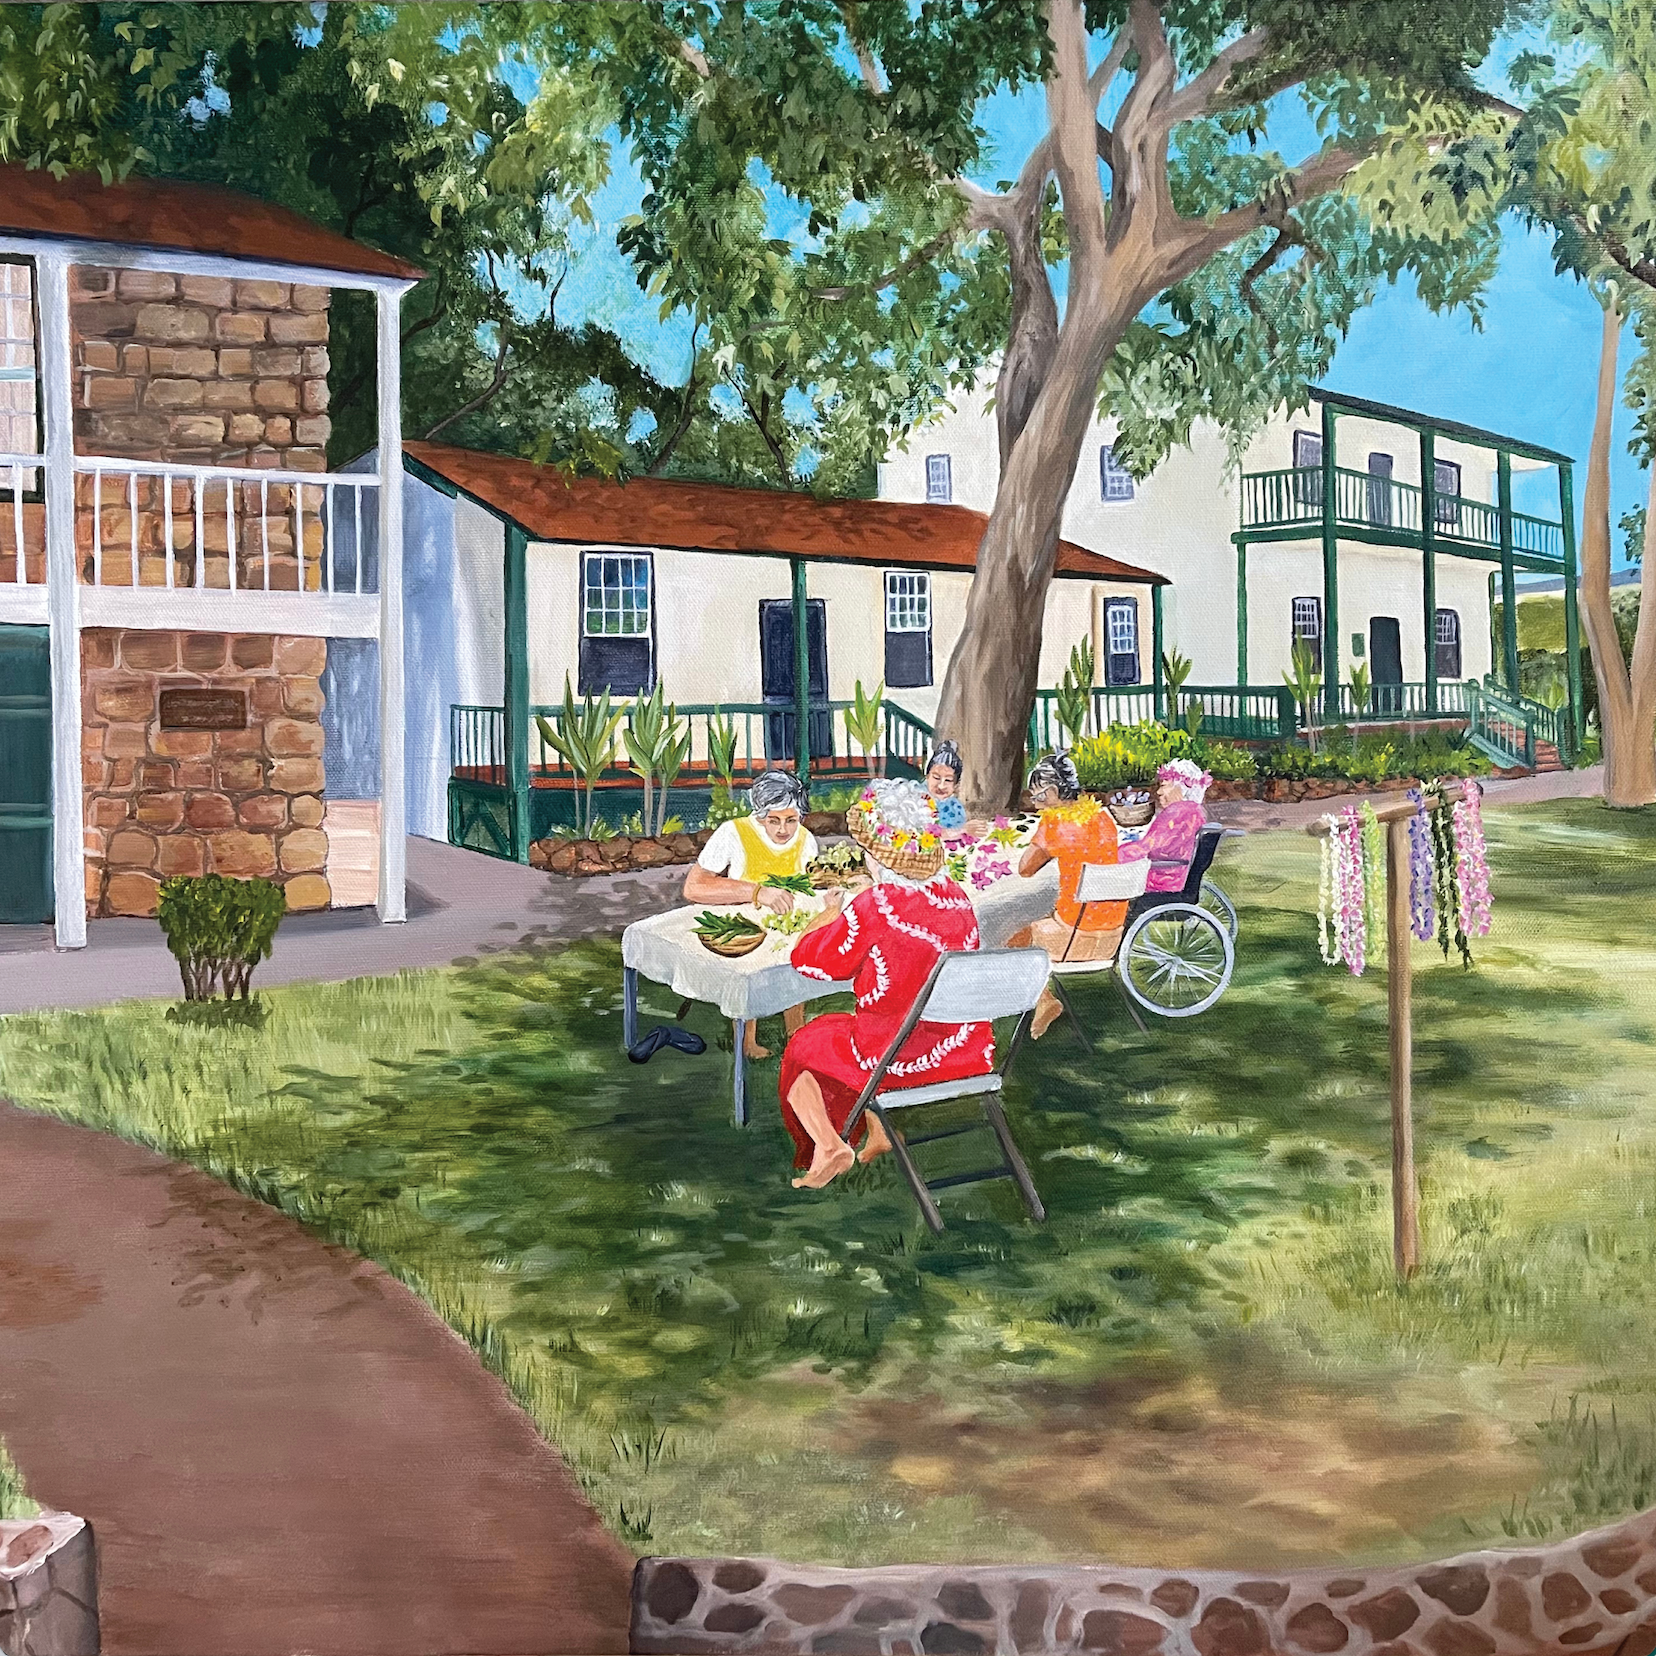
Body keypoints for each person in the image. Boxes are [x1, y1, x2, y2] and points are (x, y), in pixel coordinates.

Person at [779, 779, 992, 1190]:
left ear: (876, 857)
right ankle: (879, 1133)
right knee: (864, 1025)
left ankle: (829, 1146)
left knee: (807, 1044)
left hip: (894, 1058)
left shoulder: (877, 906)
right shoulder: (957, 898)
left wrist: (828, 915)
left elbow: (812, 960)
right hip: (964, 1049)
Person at [683, 768, 819, 1058]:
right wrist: (758, 892)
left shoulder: (806, 840)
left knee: (797, 962)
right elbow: (694, 887)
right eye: (774, 820)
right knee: (752, 973)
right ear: (760, 815)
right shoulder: (734, 833)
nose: (783, 830)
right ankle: (746, 1040)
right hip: (744, 927)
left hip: (786, 925)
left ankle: (795, 1031)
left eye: (791, 820)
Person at [1006, 751, 1124, 1039]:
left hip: (1075, 937)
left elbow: (1025, 869)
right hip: (1113, 935)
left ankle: (1044, 1000)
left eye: (1038, 796)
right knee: (1047, 914)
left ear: (1054, 792)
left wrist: (1043, 838)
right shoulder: (1103, 817)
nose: (1036, 803)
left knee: (1014, 939)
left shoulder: (1055, 824)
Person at [1118, 758, 1212, 891]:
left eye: (1164, 786)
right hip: (1179, 878)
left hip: (1159, 881)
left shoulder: (1176, 812)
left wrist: (1112, 854)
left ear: (1181, 788)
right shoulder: (1195, 812)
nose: (1158, 792)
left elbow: (1146, 847)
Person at [925, 741, 969, 832]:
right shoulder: (916, 801)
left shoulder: (956, 808)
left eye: (948, 780)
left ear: (956, 785)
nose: (941, 786)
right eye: (936, 778)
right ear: (927, 777)